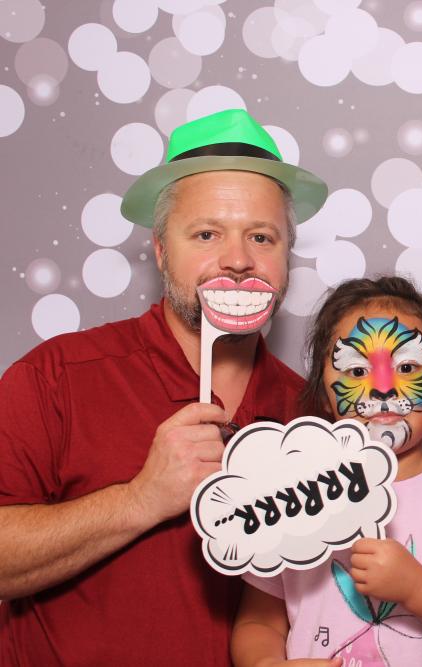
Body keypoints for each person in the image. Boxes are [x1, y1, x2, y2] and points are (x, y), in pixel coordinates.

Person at [0, 108, 328, 666]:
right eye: (206, 234)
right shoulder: (58, 376)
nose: (238, 260)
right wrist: (140, 499)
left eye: (261, 236)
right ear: (159, 250)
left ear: (286, 257)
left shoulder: (314, 417)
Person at [231, 276, 422, 666]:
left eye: (407, 366)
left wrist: (417, 588)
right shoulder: (292, 493)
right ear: (324, 395)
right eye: (356, 372)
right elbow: (258, 623)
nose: (383, 388)